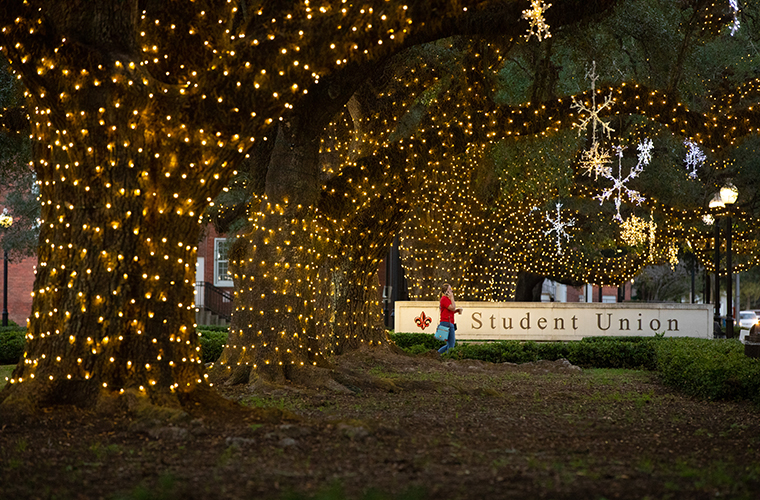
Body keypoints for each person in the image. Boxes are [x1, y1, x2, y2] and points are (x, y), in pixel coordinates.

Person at [438, 283, 463, 354]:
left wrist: (456, 311)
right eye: (449, 289)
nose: (451, 290)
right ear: (446, 291)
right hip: (447, 323)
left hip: (448, 322)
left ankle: (436, 354)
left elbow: (449, 311)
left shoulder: (446, 300)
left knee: (449, 344)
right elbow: (452, 307)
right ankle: (448, 358)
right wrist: (452, 298)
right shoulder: (444, 299)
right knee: (451, 344)